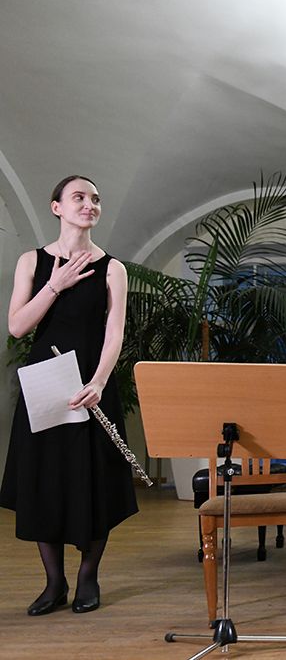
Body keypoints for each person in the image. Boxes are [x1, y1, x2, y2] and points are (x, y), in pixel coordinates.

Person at [1, 175, 138, 615]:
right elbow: (18, 327)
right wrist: (55, 285)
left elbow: (114, 333)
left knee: (95, 478)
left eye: (95, 199)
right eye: (79, 197)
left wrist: (98, 382)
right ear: (56, 207)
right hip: (45, 382)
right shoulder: (31, 261)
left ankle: (88, 577)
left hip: (92, 385)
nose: (89, 205)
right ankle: (54, 582)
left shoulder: (113, 269)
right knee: (45, 479)